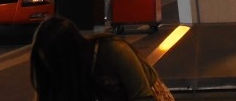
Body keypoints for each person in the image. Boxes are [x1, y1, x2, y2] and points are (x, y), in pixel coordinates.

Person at [30, 15, 171, 101]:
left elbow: (143, 96)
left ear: (68, 55)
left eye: (52, 62)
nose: (50, 68)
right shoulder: (56, 71)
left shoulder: (114, 50)